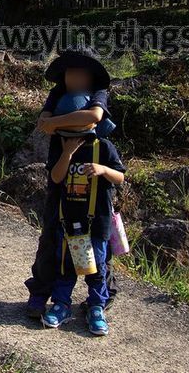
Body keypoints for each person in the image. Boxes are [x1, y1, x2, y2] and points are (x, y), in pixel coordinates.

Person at [25, 48, 121, 318]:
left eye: (81, 72)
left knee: (99, 242)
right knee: (52, 236)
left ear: (91, 76)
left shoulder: (100, 93)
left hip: (92, 164)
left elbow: (94, 117)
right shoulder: (57, 93)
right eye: (70, 72)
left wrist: (57, 122)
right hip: (60, 164)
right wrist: (60, 125)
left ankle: (100, 299)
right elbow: (43, 123)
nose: (75, 77)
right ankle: (42, 293)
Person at [42, 131, 126, 335]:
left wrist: (103, 169)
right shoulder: (62, 144)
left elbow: (120, 177)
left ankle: (96, 307)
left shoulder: (103, 146)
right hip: (69, 221)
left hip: (97, 222)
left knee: (97, 268)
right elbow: (56, 177)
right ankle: (61, 304)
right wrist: (68, 152)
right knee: (66, 267)